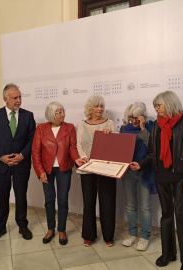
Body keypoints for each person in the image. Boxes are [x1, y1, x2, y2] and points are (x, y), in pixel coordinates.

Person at [130, 91, 183, 270]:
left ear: (169, 104)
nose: (156, 109)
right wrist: (141, 164)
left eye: (158, 105)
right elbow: (152, 153)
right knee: (166, 216)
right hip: (161, 177)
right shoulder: (157, 127)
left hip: (181, 178)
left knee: (181, 217)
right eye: (155, 106)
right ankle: (168, 253)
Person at [0, 83, 36, 242]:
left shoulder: (28, 116)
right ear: (5, 99)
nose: (19, 101)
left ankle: (22, 225)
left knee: (21, 196)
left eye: (20, 97)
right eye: (15, 98)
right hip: (1, 165)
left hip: (21, 164)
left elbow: (32, 140)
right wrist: (2, 156)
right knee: (2, 197)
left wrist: (22, 155)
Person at [32, 101, 85, 245]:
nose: (63, 114)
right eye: (59, 112)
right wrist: (40, 171)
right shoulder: (41, 128)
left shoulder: (69, 128)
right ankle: (50, 229)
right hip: (46, 170)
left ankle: (62, 230)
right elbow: (36, 152)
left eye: (63, 111)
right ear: (51, 114)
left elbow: (72, 148)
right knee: (49, 200)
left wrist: (77, 160)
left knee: (62, 201)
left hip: (64, 169)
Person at [77, 95, 116, 247]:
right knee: (88, 203)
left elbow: (115, 146)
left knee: (108, 202)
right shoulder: (82, 125)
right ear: (90, 109)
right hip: (88, 169)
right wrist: (84, 158)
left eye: (101, 106)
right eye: (96, 106)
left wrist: (110, 136)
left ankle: (108, 236)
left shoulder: (110, 123)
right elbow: (79, 145)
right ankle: (89, 235)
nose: (99, 109)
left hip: (106, 169)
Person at [120, 102, 156, 251]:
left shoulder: (150, 127)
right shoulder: (123, 128)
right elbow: (119, 148)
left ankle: (145, 236)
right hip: (128, 171)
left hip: (145, 171)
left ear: (143, 116)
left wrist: (142, 128)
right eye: (131, 117)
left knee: (146, 207)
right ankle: (132, 234)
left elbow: (152, 147)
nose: (133, 121)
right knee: (130, 205)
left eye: (137, 118)